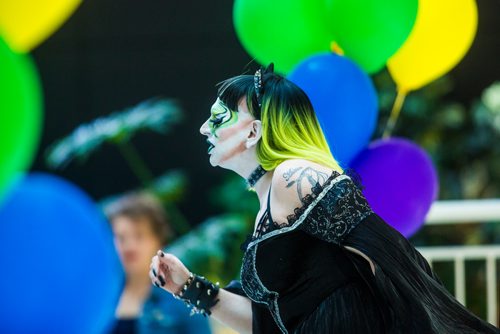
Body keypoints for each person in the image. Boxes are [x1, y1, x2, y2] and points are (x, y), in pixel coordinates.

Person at [149, 64, 498, 333]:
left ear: (254, 131)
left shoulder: (294, 176)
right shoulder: (269, 206)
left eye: (219, 117)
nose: (204, 128)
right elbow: (269, 324)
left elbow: (387, 251)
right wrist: (187, 286)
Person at [105, 192, 212, 334]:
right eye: (121, 237)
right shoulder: (97, 298)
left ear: (159, 240)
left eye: (139, 235)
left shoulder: (182, 297)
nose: (129, 246)